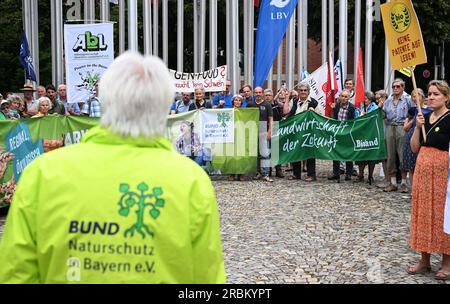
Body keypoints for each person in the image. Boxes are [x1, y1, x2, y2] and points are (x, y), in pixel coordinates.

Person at [0, 52, 226, 284]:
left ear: (105, 101)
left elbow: (16, 274)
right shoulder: (190, 180)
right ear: (165, 106)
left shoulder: (43, 173)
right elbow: (207, 279)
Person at [408, 80, 450, 281]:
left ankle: (446, 263)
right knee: (423, 213)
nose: (431, 97)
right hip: (423, 170)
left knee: (443, 215)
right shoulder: (423, 116)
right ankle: (424, 260)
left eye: (436, 94)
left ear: (446, 97)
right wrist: (417, 127)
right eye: (430, 94)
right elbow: (414, 147)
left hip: (443, 172)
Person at [382, 78, 413, 192]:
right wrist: (380, 108)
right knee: (390, 155)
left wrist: (408, 125)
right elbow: (383, 115)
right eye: (394, 86)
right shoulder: (388, 101)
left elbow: (413, 113)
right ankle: (393, 182)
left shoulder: (408, 99)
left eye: (398, 86)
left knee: (402, 154)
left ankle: (404, 182)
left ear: (403, 87)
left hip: (402, 127)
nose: (395, 88)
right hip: (390, 127)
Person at [284, 83, 319, 182]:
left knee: (310, 153)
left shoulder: (314, 102)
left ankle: (311, 175)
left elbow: (320, 117)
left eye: (305, 90)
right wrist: (287, 98)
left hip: (309, 132)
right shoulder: (294, 101)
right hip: (296, 131)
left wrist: (314, 112)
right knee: (296, 152)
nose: (303, 92)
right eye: (301, 90)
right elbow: (286, 111)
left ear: (308, 91)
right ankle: (296, 174)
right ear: (298, 92)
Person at [402, 89, 432, 191]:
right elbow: (405, 128)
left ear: (423, 97)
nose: (415, 98)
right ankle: (413, 189)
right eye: (413, 96)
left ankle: (423, 188)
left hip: (424, 138)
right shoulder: (411, 110)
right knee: (411, 165)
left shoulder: (430, 110)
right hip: (412, 136)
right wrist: (414, 119)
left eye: (417, 95)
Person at [328, 90, 356, 182]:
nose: (343, 98)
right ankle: (336, 173)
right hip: (337, 133)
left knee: (348, 153)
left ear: (348, 98)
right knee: (336, 153)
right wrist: (332, 109)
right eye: (342, 96)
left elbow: (353, 121)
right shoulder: (336, 106)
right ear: (339, 97)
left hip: (347, 133)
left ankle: (348, 173)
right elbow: (333, 119)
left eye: (345, 97)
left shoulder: (352, 108)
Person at [354, 91, 379, 185]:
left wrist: (367, 116)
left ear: (370, 99)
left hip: (371, 134)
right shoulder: (360, 107)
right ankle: (360, 174)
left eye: (366, 99)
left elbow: (375, 117)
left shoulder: (374, 107)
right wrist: (360, 115)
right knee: (361, 154)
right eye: (364, 99)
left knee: (371, 155)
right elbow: (356, 118)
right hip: (361, 134)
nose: (365, 101)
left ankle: (370, 176)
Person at [247, 95, 274, 182]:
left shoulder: (267, 105)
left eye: (260, 92)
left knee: (265, 154)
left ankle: (266, 174)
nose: (258, 94)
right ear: (254, 93)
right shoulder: (250, 104)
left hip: (264, 131)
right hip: (253, 131)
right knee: (256, 154)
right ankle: (258, 173)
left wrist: (270, 131)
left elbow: (271, 119)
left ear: (262, 93)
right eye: (256, 92)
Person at [228, 95, 246, 182]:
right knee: (232, 154)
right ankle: (232, 173)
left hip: (241, 134)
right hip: (231, 134)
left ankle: (241, 173)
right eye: (236, 100)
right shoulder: (228, 111)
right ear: (233, 102)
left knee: (241, 154)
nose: (237, 102)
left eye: (239, 100)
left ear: (241, 102)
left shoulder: (245, 112)